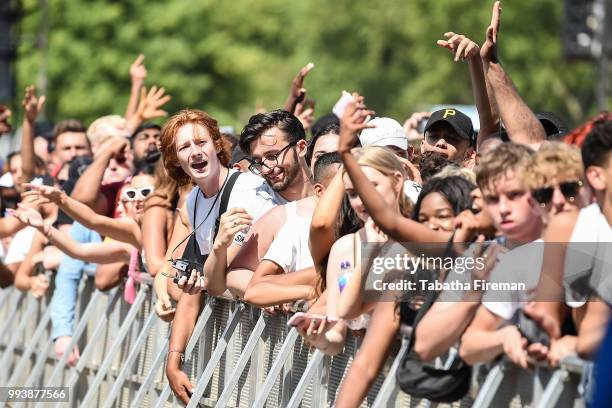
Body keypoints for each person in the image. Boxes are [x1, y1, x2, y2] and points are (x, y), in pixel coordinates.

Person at [158, 109, 286, 405]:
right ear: (175, 159)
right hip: (248, 336)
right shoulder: (193, 203)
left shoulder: (248, 189)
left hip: (280, 326)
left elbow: (222, 279)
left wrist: (215, 261)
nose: (195, 152)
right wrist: (173, 362)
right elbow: (195, 284)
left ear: (217, 145)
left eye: (201, 142)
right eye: (184, 147)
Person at [243, 152, 341, 307]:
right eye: (342, 188)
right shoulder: (298, 227)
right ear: (320, 191)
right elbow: (254, 291)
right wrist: (308, 292)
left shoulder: (375, 234)